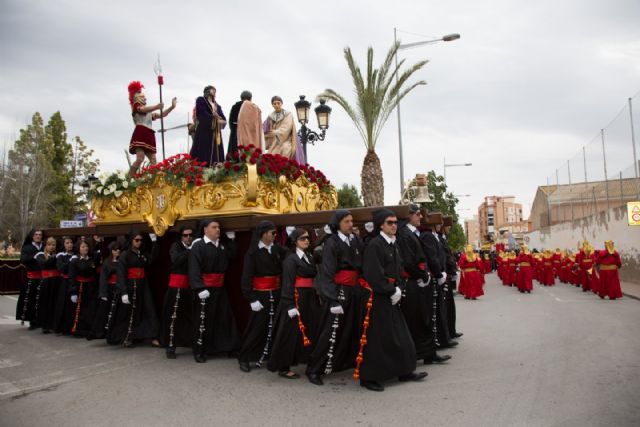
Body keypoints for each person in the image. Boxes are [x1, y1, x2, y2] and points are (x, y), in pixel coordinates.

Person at [357, 209, 427, 392]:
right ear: (381, 224)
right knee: (377, 339)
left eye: (396, 222)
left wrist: (399, 288)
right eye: (390, 222)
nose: (394, 225)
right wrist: (391, 290)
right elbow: (373, 274)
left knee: (400, 335)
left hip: (391, 296)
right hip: (378, 298)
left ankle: (404, 370)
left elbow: (399, 270)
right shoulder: (375, 245)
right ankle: (368, 377)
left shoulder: (393, 244)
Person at [306, 210, 365, 386]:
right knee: (330, 330)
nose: (350, 224)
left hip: (354, 290)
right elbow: (327, 272)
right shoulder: (332, 242)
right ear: (337, 223)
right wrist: (332, 299)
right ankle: (314, 369)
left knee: (352, 327)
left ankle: (343, 361)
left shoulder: (355, 240)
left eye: (351, 221)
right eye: (346, 221)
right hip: (338, 291)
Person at [397, 205, 451, 365]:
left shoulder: (412, 233)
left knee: (425, 318)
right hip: (413, 283)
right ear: (409, 216)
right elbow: (408, 260)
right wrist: (421, 276)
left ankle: (429, 354)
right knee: (416, 319)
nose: (420, 217)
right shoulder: (404, 234)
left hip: (420, 280)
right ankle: (417, 355)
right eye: (417, 214)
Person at [268, 228, 322, 379]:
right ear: (295, 241)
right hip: (295, 298)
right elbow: (288, 283)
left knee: (310, 328)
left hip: (309, 297)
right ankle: (283, 367)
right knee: (289, 333)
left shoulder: (309, 256)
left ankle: (304, 358)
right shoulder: (290, 259)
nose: (306, 241)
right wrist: (290, 304)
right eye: (302, 238)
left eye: (307, 238)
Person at [238, 221, 286, 372]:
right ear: (264, 234)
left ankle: (271, 355)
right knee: (257, 327)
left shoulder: (277, 249)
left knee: (276, 326)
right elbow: (246, 278)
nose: (275, 236)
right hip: (261, 296)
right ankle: (244, 357)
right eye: (272, 233)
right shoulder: (252, 253)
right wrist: (251, 298)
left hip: (277, 294)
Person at [189, 220, 239, 363]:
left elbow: (233, 254)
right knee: (203, 320)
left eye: (219, 227)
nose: (218, 230)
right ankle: (200, 350)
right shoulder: (198, 246)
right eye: (214, 227)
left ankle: (228, 347)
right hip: (205, 289)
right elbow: (194, 269)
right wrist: (199, 288)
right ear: (205, 230)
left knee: (224, 318)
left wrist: (232, 239)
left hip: (220, 289)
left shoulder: (221, 246)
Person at [107, 231, 160, 347]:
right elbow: (121, 274)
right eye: (136, 240)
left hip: (143, 285)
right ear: (131, 240)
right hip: (130, 286)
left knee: (149, 308)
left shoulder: (142, 253)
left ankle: (152, 336)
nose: (139, 242)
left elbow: (151, 260)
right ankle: (127, 337)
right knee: (129, 312)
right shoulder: (125, 255)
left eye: (141, 240)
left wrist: (155, 243)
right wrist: (124, 292)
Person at [420, 213, 457, 348]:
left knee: (444, 309)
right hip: (436, 275)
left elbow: (443, 255)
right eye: (439, 223)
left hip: (441, 273)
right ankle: (441, 339)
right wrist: (439, 273)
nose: (441, 225)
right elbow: (432, 256)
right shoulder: (428, 236)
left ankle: (446, 336)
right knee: (438, 311)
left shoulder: (435, 236)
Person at [127, 81, 177, 176]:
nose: (145, 98)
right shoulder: (136, 106)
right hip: (141, 132)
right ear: (137, 98)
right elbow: (143, 109)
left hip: (149, 134)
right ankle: (129, 178)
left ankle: (154, 181)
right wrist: (156, 107)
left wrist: (171, 107)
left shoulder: (149, 111)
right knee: (140, 158)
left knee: (154, 161)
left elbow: (162, 114)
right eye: (142, 97)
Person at [160, 226, 195, 359]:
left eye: (190, 235)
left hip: (190, 286)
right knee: (173, 317)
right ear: (181, 237)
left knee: (191, 316)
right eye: (185, 236)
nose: (188, 238)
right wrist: (189, 250)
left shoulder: (195, 246)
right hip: (177, 286)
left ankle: (191, 342)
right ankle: (170, 346)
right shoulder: (175, 247)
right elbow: (177, 261)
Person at [68, 240, 99, 338]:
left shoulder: (92, 260)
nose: (85, 248)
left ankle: (91, 329)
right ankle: (79, 330)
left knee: (91, 308)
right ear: (78, 249)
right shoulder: (74, 261)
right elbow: (72, 277)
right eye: (83, 247)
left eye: (86, 246)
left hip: (91, 287)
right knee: (81, 309)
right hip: (80, 287)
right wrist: (73, 291)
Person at [190, 85, 227, 166]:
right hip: (204, 131)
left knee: (217, 154)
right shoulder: (201, 100)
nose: (214, 92)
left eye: (215, 91)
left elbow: (224, 119)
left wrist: (219, 120)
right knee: (204, 151)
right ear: (207, 91)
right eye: (212, 90)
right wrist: (214, 118)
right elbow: (201, 114)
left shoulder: (217, 106)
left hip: (216, 133)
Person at [93, 241, 121, 339]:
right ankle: (104, 332)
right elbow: (103, 278)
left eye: (118, 249)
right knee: (106, 311)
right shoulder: (107, 262)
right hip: (109, 288)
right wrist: (103, 293)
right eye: (115, 250)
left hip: (119, 288)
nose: (117, 251)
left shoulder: (122, 261)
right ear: (111, 251)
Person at [16, 229, 43, 329]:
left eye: (40, 235)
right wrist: (34, 257)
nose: (38, 236)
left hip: (43, 277)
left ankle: (41, 320)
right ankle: (32, 321)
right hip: (32, 278)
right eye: (36, 234)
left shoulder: (44, 246)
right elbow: (23, 260)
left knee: (41, 300)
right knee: (31, 300)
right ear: (32, 236)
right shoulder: (27, 247)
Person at [35, 236, 61, 334]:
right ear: (45, 245)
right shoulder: (40, 255)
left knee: (55, 302)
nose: (51, 247)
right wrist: (53, 258)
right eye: (49, 245)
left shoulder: (59, 255)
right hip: (46, 282)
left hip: (56, 281)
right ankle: (44, 325)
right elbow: (44, 265)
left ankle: (53, 324)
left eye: (53, 245)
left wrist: (54, 258)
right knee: (45, 303)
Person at [54, 237, 76, 334]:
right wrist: (70, 261)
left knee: (72, 306)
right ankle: (61, 327)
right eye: (67, 243)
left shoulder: (76, 255)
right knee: (63, 304)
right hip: (64, 282)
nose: (70, 244)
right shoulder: (61, 256)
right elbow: (61, 269)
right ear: (64, 245)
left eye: (71, 242)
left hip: (74, 281)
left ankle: (71, 327)